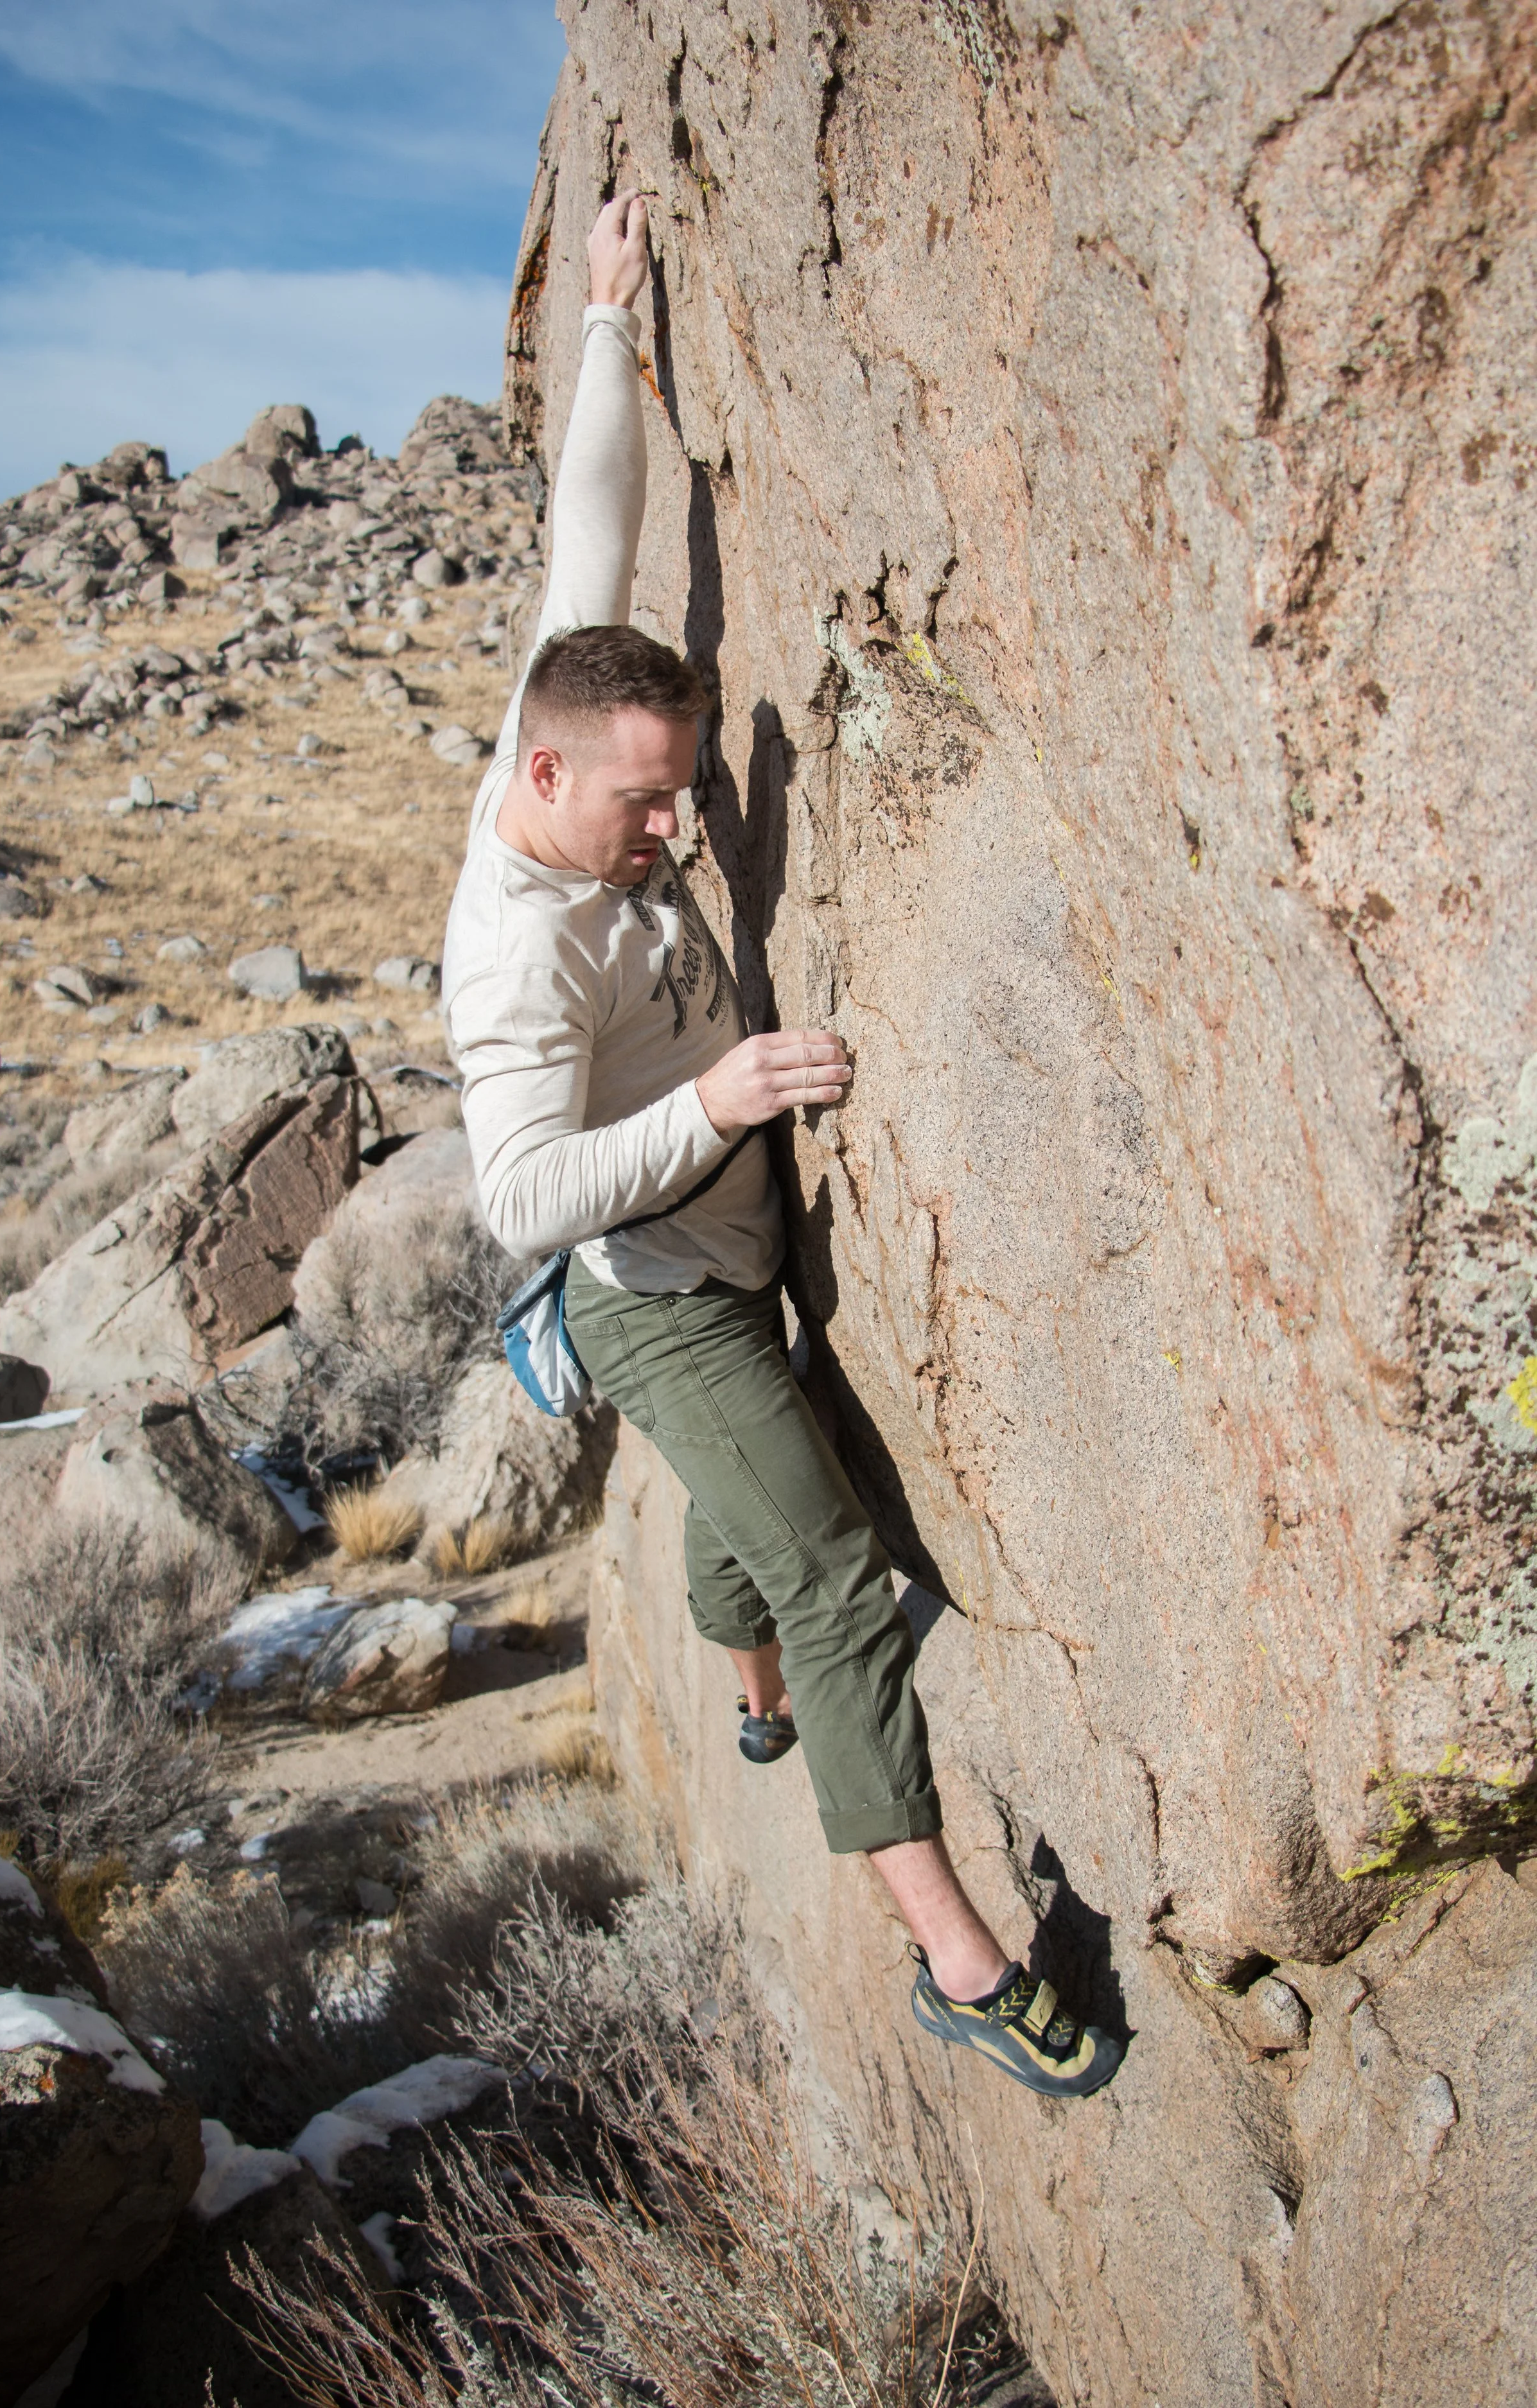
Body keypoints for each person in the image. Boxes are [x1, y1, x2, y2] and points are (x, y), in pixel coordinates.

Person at [442, 191, 1122, 2100]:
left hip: (738, 1223)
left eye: (682, 792)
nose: (674, 830)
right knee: (833, 1580)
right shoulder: (511, 959)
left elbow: (595, 524)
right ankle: (961, 1963)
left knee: (759, 1533)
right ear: (545, 781)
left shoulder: (563, 719)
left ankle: (749, 1705)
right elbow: (517, 1198)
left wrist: (601, 318)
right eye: (643, 810)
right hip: (661, 1290)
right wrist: (713, 1100)